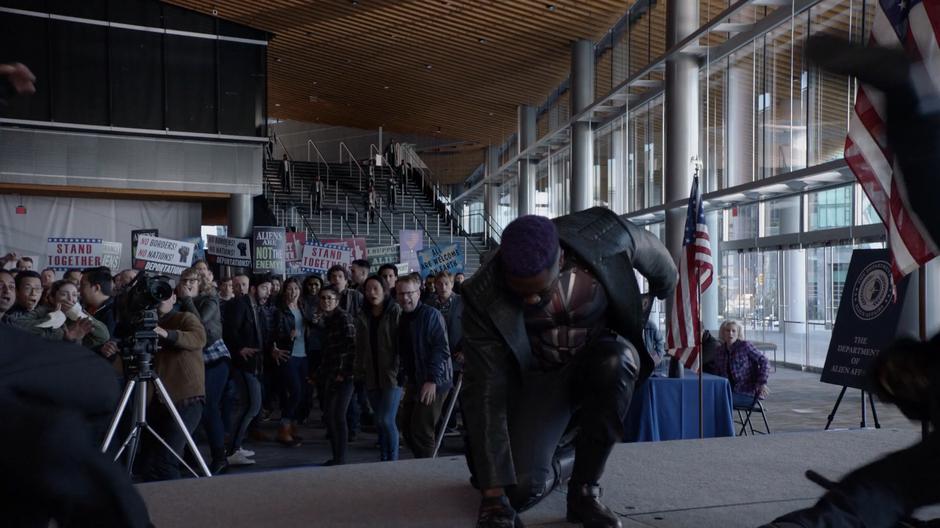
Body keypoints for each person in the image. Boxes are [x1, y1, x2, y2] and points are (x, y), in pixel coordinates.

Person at [460, 210, 677, 528]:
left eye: (540, 291)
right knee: (519, 492)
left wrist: (664, 289)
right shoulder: (483, 296)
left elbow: (662, 264)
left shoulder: (606, 235)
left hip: (598, 361)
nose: (532, 298)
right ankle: (571, 455)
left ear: (560, 259)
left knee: (620, 360)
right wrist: (494, 499)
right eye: (523, 294)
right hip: (539, 381)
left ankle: (585, 491)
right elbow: (485, 392)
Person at [136, 290, 207, 482]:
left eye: (165, 294)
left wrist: (165, 333)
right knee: (148, 463)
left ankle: (177, 506)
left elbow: (199, 338)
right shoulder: (140, 323)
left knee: (166, 459)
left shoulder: (184, 317)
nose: (160, 300)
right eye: (155, 295)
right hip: (155, 402)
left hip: (186, 398)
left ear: (175, 298)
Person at [175, 267, 229, 475]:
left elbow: (199, 328)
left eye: (192, 281)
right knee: (191, 408)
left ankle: (220, 458)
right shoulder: (180, 302)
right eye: (184, 281)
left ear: (200, 284)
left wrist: (187, 301)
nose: (187, 284)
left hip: (215, 359)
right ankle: (190, 456)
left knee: (209, 408)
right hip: (194, 362)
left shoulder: (210, 301)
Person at [395, 273, 452, 459]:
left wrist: (431, 380)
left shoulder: (430, 315)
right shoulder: (402, 318)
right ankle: (422, 462)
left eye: (409, 293)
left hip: (434, 379)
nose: (405, 297)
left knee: (421, 429)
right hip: (415, 380)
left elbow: (440, 349)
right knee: (406, 426)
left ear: (418, 293)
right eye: (401, 294)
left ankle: (427, 470)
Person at [223, 273, 271, 466]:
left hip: (254, 362)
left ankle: (235, 446)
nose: (268, 291)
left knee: (250, 405)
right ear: (253, 289)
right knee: (251, 405)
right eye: (264, 287)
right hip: (243, 363)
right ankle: (232, 450)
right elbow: (229, 330)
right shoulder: (239, 304)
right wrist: (238, 348)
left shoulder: (256, 307)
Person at [354, 275, 402, 461]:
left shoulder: (394, 311)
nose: (372, 293)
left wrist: (401, 370)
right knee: (378, 420)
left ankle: (393, 459)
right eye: (368, 289)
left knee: (386, 419)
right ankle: (384, 458)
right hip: (371, 374)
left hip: (392, 374)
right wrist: (359, 371)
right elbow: (359, 347)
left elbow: (401, 344)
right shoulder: (363, 315)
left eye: (376, 288)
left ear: (384, 290)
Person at [270, 278, 316, 447]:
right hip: (288, 355)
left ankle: (292, 427)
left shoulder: (304, 308)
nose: (293, 292)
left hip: (304, 355)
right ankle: (284, 427)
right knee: (295, 391)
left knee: (303, 393)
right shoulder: (279, 311)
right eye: (289, 289)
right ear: (284, 291)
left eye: (296, 288)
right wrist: (286, 337)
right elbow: (273, 333)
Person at [316, 286, 357, 465]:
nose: (326, 301)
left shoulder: (343, 317)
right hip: (330, 373)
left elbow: (351, 346)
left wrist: (343, 372)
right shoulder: (327, 320)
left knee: (337, 415)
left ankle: (340, 458)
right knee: (331, 416)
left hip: (344, 375)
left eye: (330, 298)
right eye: (323, 298)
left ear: (337, 301)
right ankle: (337, 457)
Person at [9, 279, 109, 351]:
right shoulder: (44, 311)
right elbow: (18, 325)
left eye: (74, 295)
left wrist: (79, 314)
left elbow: (103, 336)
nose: (71, 299)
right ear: (52, 298)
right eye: (64, 294)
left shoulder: (79, 318)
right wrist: (53, 319)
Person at [706, 320, 770, 407]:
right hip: (727, 390)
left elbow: (764, 361)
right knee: (706, 398)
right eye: (727, 330)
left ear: (738, 333)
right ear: (723, 333)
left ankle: (724, 421)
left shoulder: (745, 346)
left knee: (719, 402)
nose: (730, 333)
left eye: (733, 331)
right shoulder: (719, 351)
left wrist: (761, 382)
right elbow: (718, 373)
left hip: (747, 392)